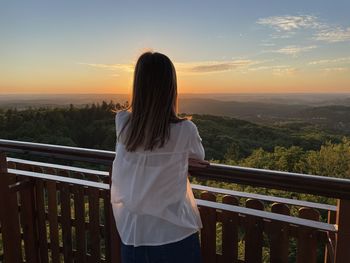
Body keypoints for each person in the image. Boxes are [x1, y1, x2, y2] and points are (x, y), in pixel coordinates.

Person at [110, 51, 209, 263]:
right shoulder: (185, 130)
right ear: (171, 87)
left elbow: (143, 153)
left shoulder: (123, 122)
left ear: (138, 85)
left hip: (133, 235)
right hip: (174, 234)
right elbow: (198, 156)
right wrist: (179, 159)